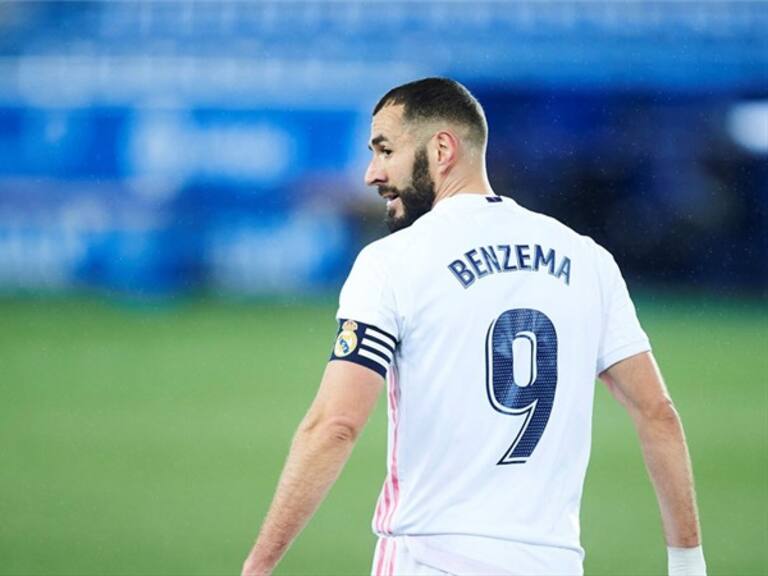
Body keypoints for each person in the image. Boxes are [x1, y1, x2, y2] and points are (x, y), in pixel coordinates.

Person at [240, 78, 706, 576]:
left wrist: (258, 567)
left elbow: (336, 425)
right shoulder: (587, 259)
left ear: (442, 148)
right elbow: (657, 413)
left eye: (385, 150)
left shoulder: (391, 262)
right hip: (552, 562)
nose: (371, 174)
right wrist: (688, 564)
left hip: (431, 557)